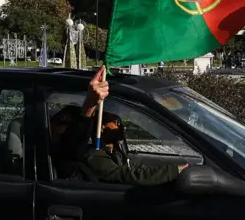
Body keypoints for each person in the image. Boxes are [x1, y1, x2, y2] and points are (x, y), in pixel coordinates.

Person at [49, 67, 188, 185]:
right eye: (61, 122)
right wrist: (175, 171)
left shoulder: (112, 151)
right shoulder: (83, 155)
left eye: (118, 122)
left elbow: (133, 167)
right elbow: (74, 140)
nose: (117, 126)